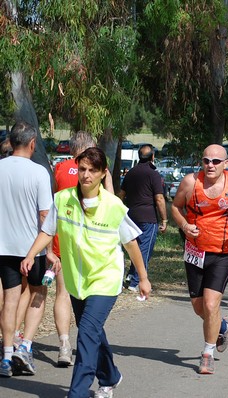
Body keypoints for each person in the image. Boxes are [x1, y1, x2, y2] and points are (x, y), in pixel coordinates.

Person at [21, 147, 151, 397]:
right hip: (77, 281)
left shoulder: (113, 206)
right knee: (92, 333)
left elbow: (131, 243)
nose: (86, 175)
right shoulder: (62, 199)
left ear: (103, 174)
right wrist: (30, 255)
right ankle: (110, 376)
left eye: (93, 170)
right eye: (82, 169)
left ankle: (77, 392)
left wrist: (143, 278)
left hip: (105, 280)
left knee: (87, 335)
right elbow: (48, 231)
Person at [171, 144, 228, 374]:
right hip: (195, 252)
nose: (210, 165)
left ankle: (208, 352)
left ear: (226, 163)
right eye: (206, 161)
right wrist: (184, 224)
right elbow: (175, 207)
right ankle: (222, 325)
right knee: (199, 307)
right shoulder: (190, 183)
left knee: (211, 304)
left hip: (224, 252)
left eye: (216, 161)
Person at [51, 131, 115, 367]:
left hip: (62, 239)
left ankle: (64, 345)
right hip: (91, 244)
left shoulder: (59, 169)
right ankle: (88, 338)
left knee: (63, 292)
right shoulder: (92, 172)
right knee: (90, 294)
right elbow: (110, 203)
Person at [0, 122, 55, 378]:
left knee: (10, 299)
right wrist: (50, 250)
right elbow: (46, 216)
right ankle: (26, 346)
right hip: (32, 247)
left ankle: (7, 355)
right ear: (33, 143)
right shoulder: (39, 172)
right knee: (38, 292)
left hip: (4, 247)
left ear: (11, 142)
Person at [119, 144, 168, 293]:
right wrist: (164, 219)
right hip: (148, 218)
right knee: (145, 250)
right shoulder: (153, 174)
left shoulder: (131, 173)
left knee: (136, 247)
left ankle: (130, 276)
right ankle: (136, 282)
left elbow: (121, 194)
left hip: (132, 216)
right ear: (153, 157)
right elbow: (159, 198)